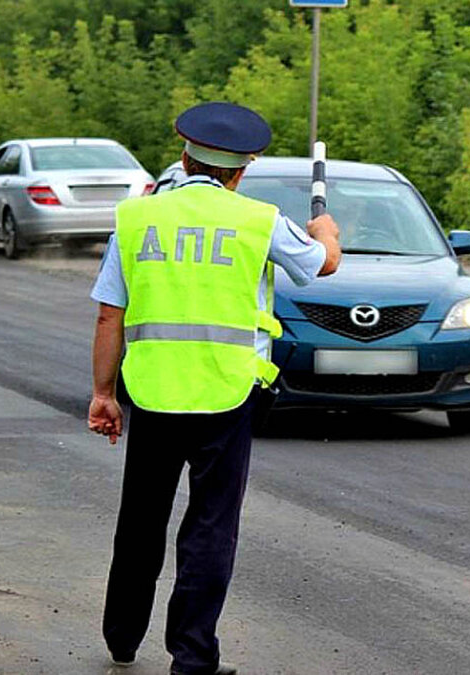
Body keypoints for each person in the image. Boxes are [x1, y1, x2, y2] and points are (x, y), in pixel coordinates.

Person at [86, 101, 341, 675]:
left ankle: (122, 638)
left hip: (151, 392)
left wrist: (104, 393)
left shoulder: (136, 218)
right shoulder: (259, 220)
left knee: (141, 520)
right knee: (210, 527)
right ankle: (192, 658)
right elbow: (322, 265)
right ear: (242, 169)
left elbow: (110, 315)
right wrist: (326, 232)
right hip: (228, 396)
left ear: (184, 156)